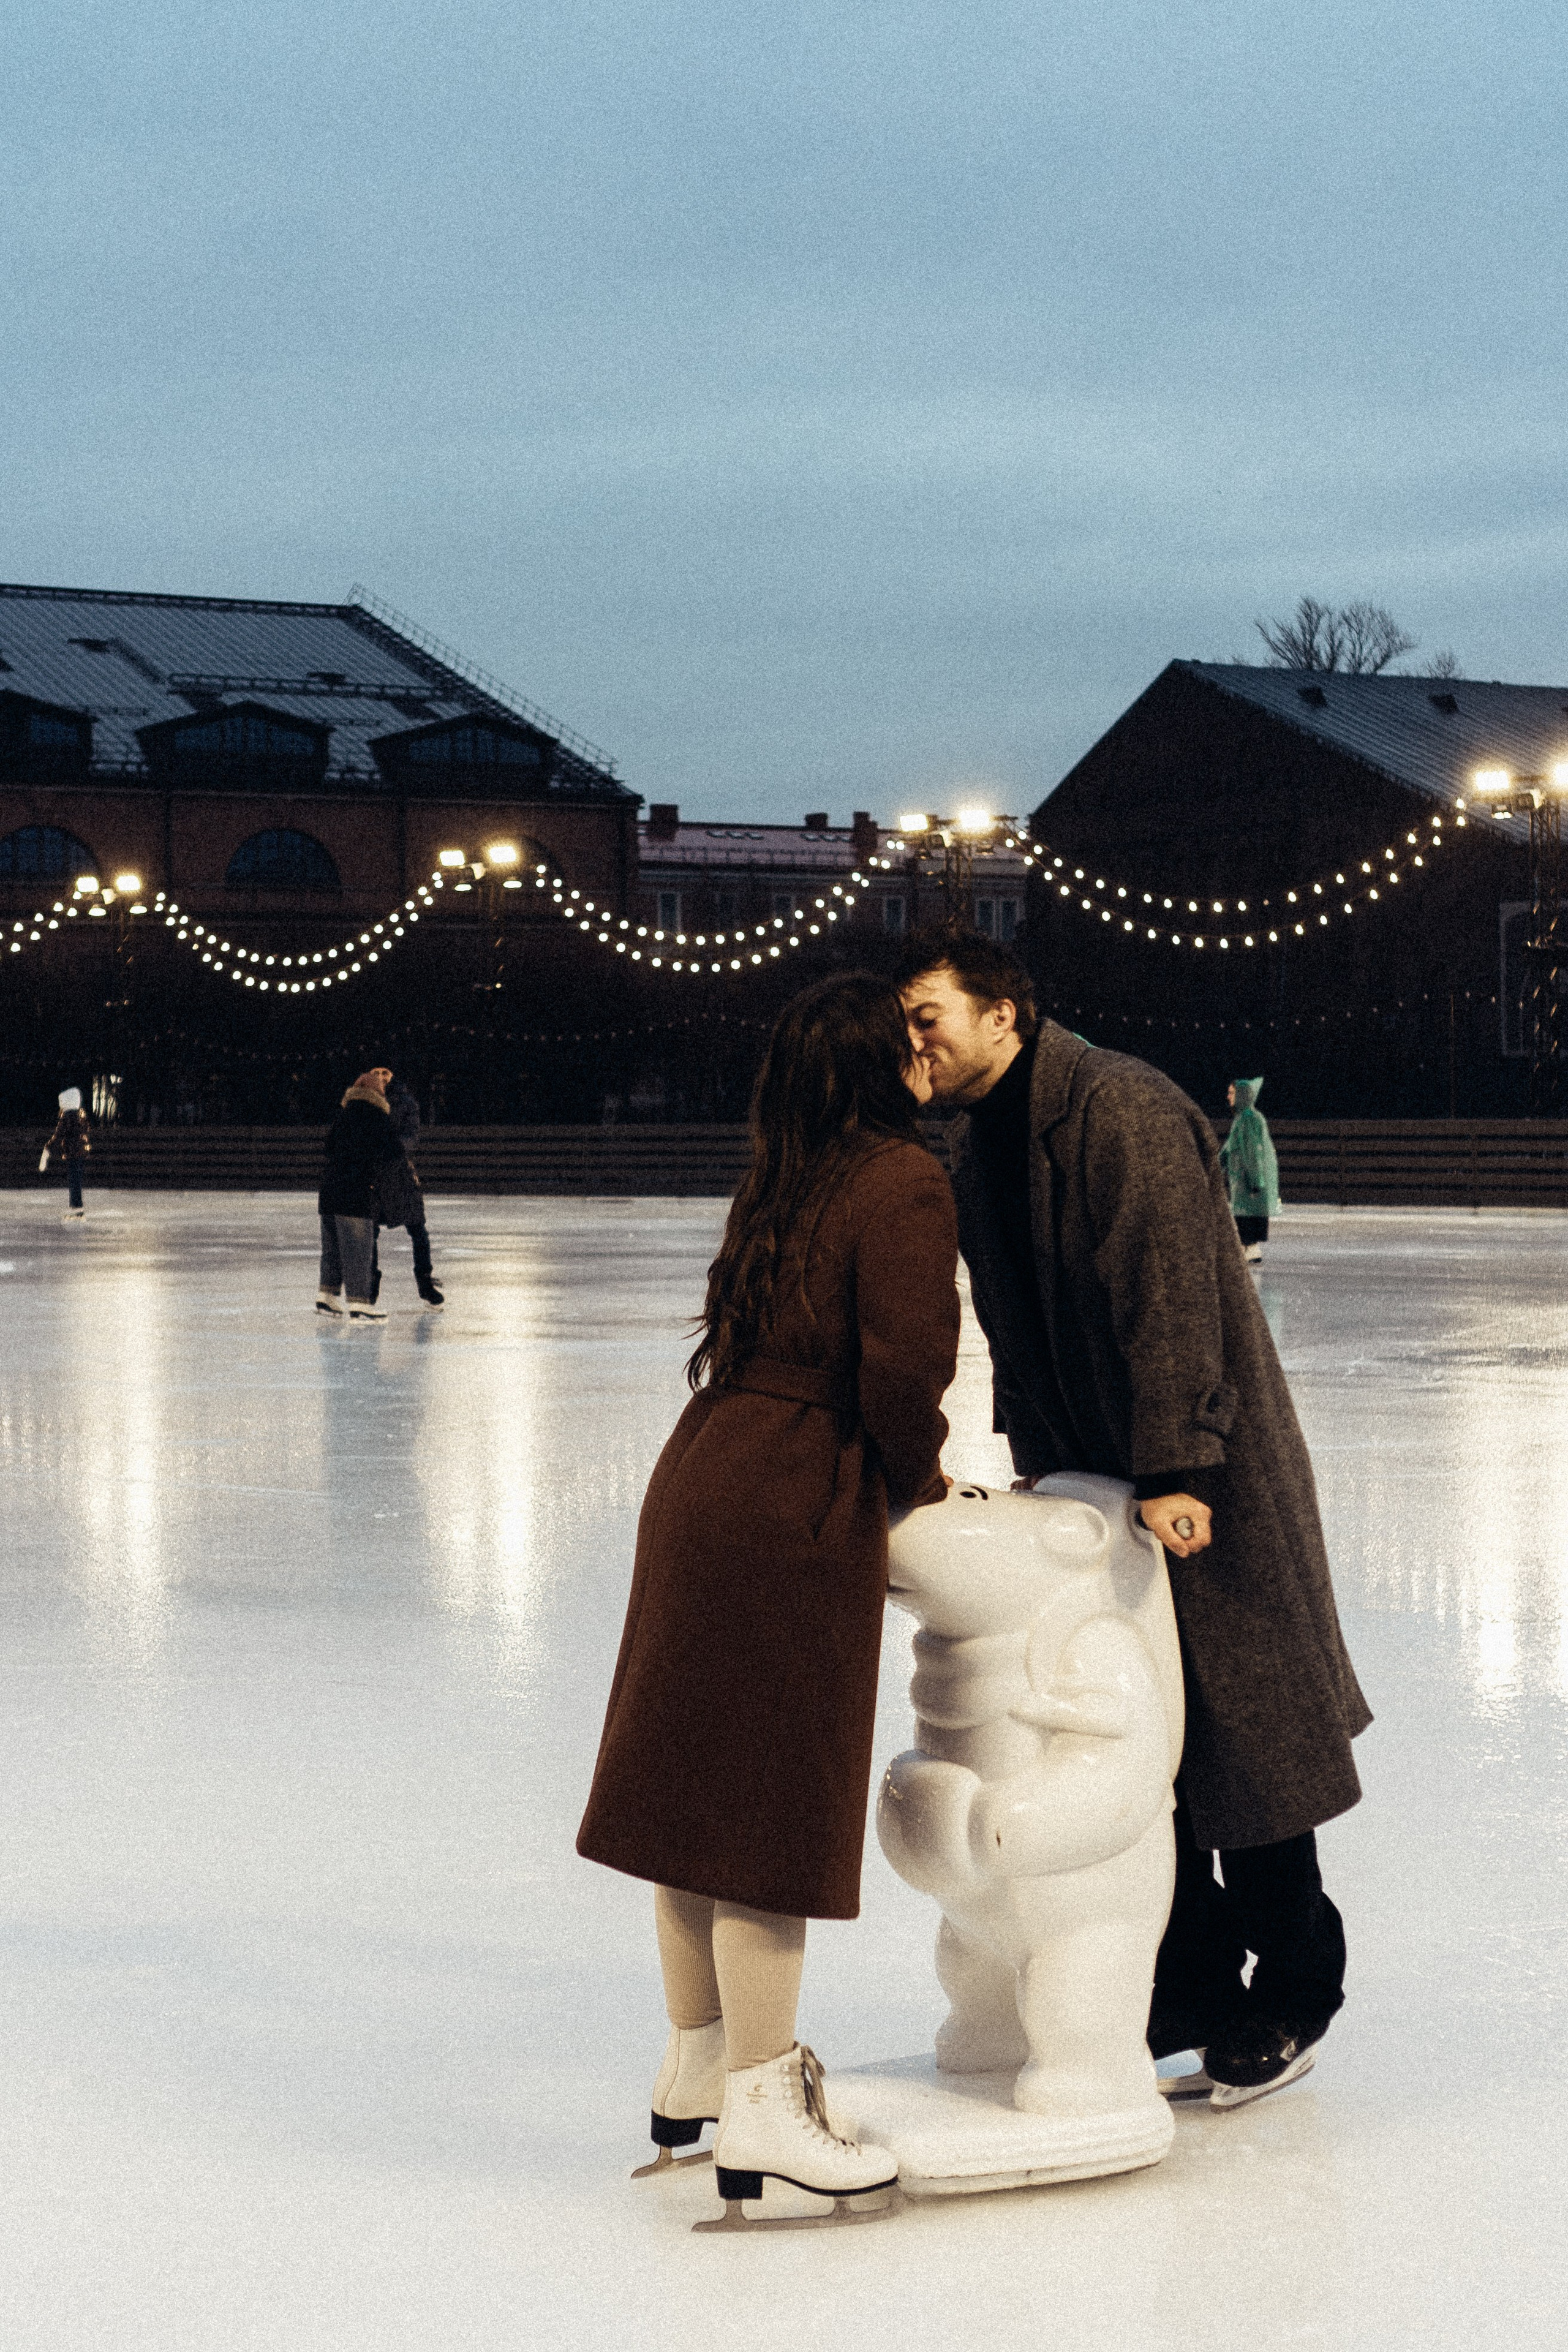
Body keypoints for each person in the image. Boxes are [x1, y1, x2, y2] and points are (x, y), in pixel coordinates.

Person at [897, 930, 1370, 2108]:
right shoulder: (982, 1135)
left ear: (1005, 1012)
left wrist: (1175, 1467)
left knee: (1238, 1728)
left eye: (928, 1016)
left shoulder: (1119, 1106)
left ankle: (1296, 1981)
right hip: (1091, 1476)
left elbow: (1173, 1295)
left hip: (1194, 1467)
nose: (915, 1040)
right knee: (1133, 1736)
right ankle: (1193, 1979)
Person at [577, 973, 960, 2221]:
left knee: (690, 1797)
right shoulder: (899, 1178)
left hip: (704, 1472)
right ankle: (760, 2099)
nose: (923, 1054)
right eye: (904, 1039)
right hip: (793, 1494)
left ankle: (696, 2056)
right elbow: (902, 1368)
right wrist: (920, 1481)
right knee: (762, 1815)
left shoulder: (783, 1172)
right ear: (866, 1063)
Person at [316, 1069, 407, 1322]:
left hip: (329, 1193)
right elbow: (395, 1152)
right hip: (355, 1193)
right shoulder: (376, 1115)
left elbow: (329, 1146)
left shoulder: (343, 1114)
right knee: (357, 1249)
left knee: (332, 1248)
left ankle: (327, 1294)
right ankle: (359, 1301)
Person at [376, 1072, 443, 1307]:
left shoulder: (405, 1102)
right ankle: (369, 1283)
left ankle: (425, 1283)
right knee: (369, 1231)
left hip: (401, 1173)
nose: (381, 1077)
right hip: (374, 1174)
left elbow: (411, 1135)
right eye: (376, 1072)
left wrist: (393, 1149)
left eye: (385, 1072)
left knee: (418, 1230)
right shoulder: (366, 1101)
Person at [1221, 1077, 1280, 1263]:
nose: (1228, 1097)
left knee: (1247, 1215)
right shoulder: (1242, 1119)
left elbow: (1253, 1152)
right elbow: (1229, 1148)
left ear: (1241, 1095)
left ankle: (1251, 1247)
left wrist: (1256, 1181)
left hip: (1248, 1181)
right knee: (1243, 1215)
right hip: (1242, 1181)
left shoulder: (1248, 1119)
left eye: (1232, 1093)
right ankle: (1248, 1246)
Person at [40, 1087, 91, 1221]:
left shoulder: (68, 1116)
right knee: (77, 1180)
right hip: (80, 1152)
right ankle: (77, 1208)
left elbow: (59, 1134)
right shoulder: (81, 1114)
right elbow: (86, 1131)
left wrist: (49, 1148)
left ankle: (77, 1208)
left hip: (73, 1152)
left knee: (74, 1180)